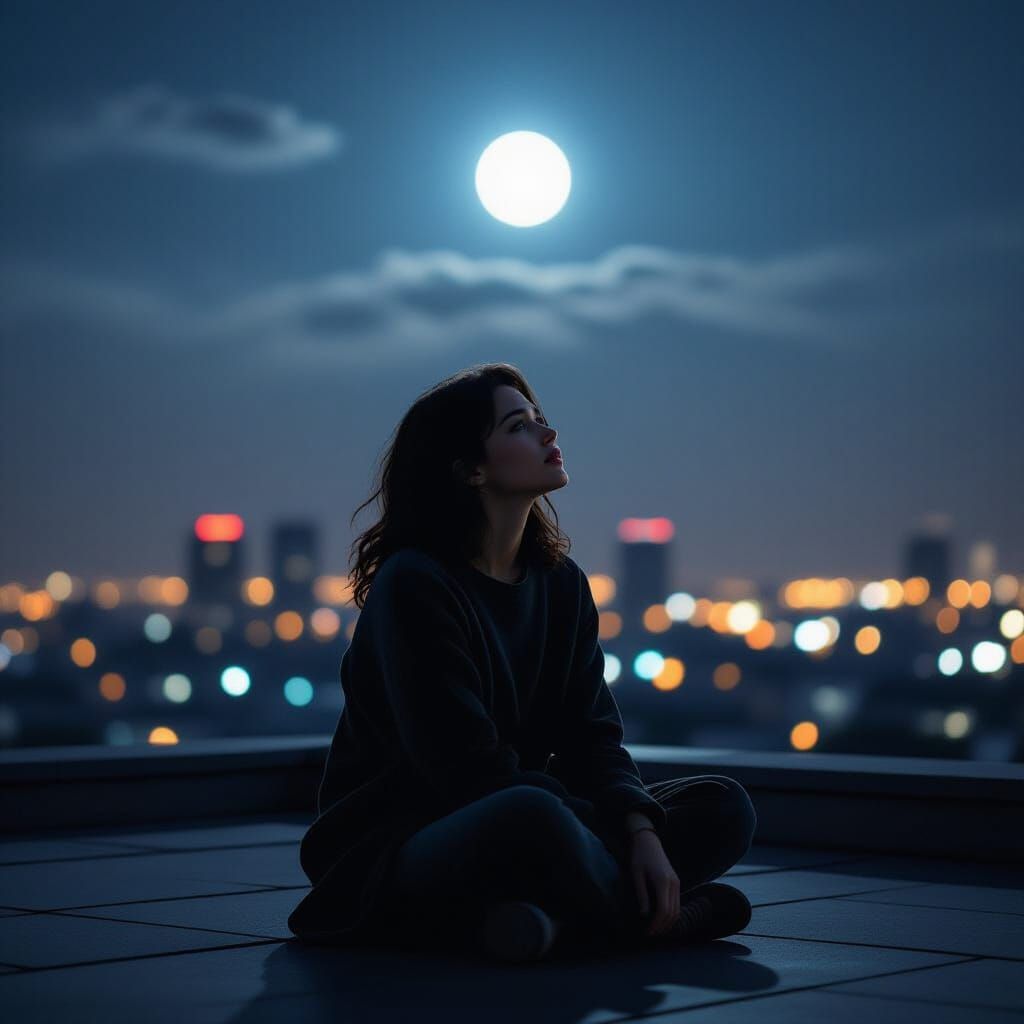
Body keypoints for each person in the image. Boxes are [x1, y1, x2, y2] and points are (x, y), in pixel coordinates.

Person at [287, 362, 757, 962]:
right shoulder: (415, 584)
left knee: (722, 805)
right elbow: (466, 774)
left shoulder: (562, 585)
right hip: (398, 848)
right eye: (518, 427)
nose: (547, 435)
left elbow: (593, 737)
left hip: (531, 820)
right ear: (470, 469)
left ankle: (534, 920)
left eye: (541, 421)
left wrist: (640, 827)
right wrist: (607, 828)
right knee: (531, 814)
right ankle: (655, 921)